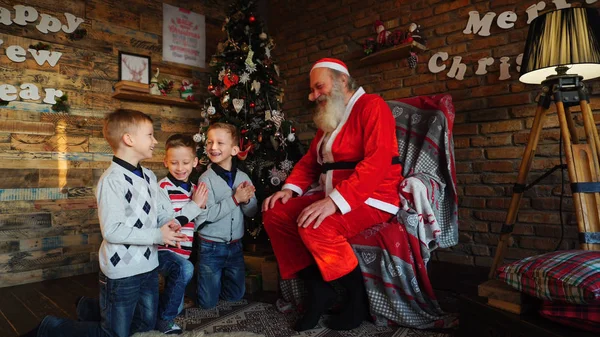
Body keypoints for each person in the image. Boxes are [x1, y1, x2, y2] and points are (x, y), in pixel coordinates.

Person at [21, 109, 202, 337]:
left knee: (144, 326)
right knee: (113, 334)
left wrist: (169, 225)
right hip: (122, 271)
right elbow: (113, 231)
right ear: (129, 139)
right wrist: (158, 235)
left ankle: (89, 307)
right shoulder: (112, 181)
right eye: (149, 134)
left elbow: (161, 213)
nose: (155, 140)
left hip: (148, 265)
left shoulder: (148, 176)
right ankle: (51, 327)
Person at [262, 58, 403, 331]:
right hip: (331, 192)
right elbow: (310, 162)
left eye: (318, 87)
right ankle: (319, 290)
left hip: (372, 196)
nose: (313, 96)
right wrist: (289, 190)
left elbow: (378, 161)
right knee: (275, 213)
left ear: (341, 80)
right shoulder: (330, 117)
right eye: (312, 90)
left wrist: (335, 202)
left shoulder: (373, 106)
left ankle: (356, 299)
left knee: (317, 225)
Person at [196, 123, 258, 309]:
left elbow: (252, 212)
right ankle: (206, 283)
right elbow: (206, 215)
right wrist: (235, 199)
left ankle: (216, 283)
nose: (213, 147)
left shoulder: (243, 177)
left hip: (235, 247)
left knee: (235, 296)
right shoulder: (205, 179)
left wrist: (247, 201)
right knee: (207, 303)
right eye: (209, 142)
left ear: (234, 150)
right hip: (210, 247)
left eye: (220, 143)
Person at [156, 134, 209, 334]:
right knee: (186, 269)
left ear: (195, 162)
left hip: (184, 251)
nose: (180, 168)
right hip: (163, 250)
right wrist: (195, 206)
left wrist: (200, 207)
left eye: (185, 162)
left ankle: (159, 309)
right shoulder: (162, 188)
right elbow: (170, 224)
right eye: (174, 163)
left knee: (175, 298)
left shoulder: (196, 190)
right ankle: (164, 320)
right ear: (165, 161)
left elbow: (198, 223)